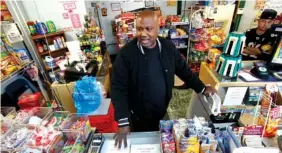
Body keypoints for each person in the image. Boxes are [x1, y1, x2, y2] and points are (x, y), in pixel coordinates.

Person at [111, 10, 216, 148]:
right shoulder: (126, 54)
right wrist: (123, 121)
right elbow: (117, 88)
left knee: (160, 143)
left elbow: (184, 71)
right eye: (139, 29)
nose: (143, 34)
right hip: (137, 115)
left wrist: (202, 88)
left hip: (162, 110)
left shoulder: (167, 47)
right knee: (143, 146)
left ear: (158, 28)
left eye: (148, 29)